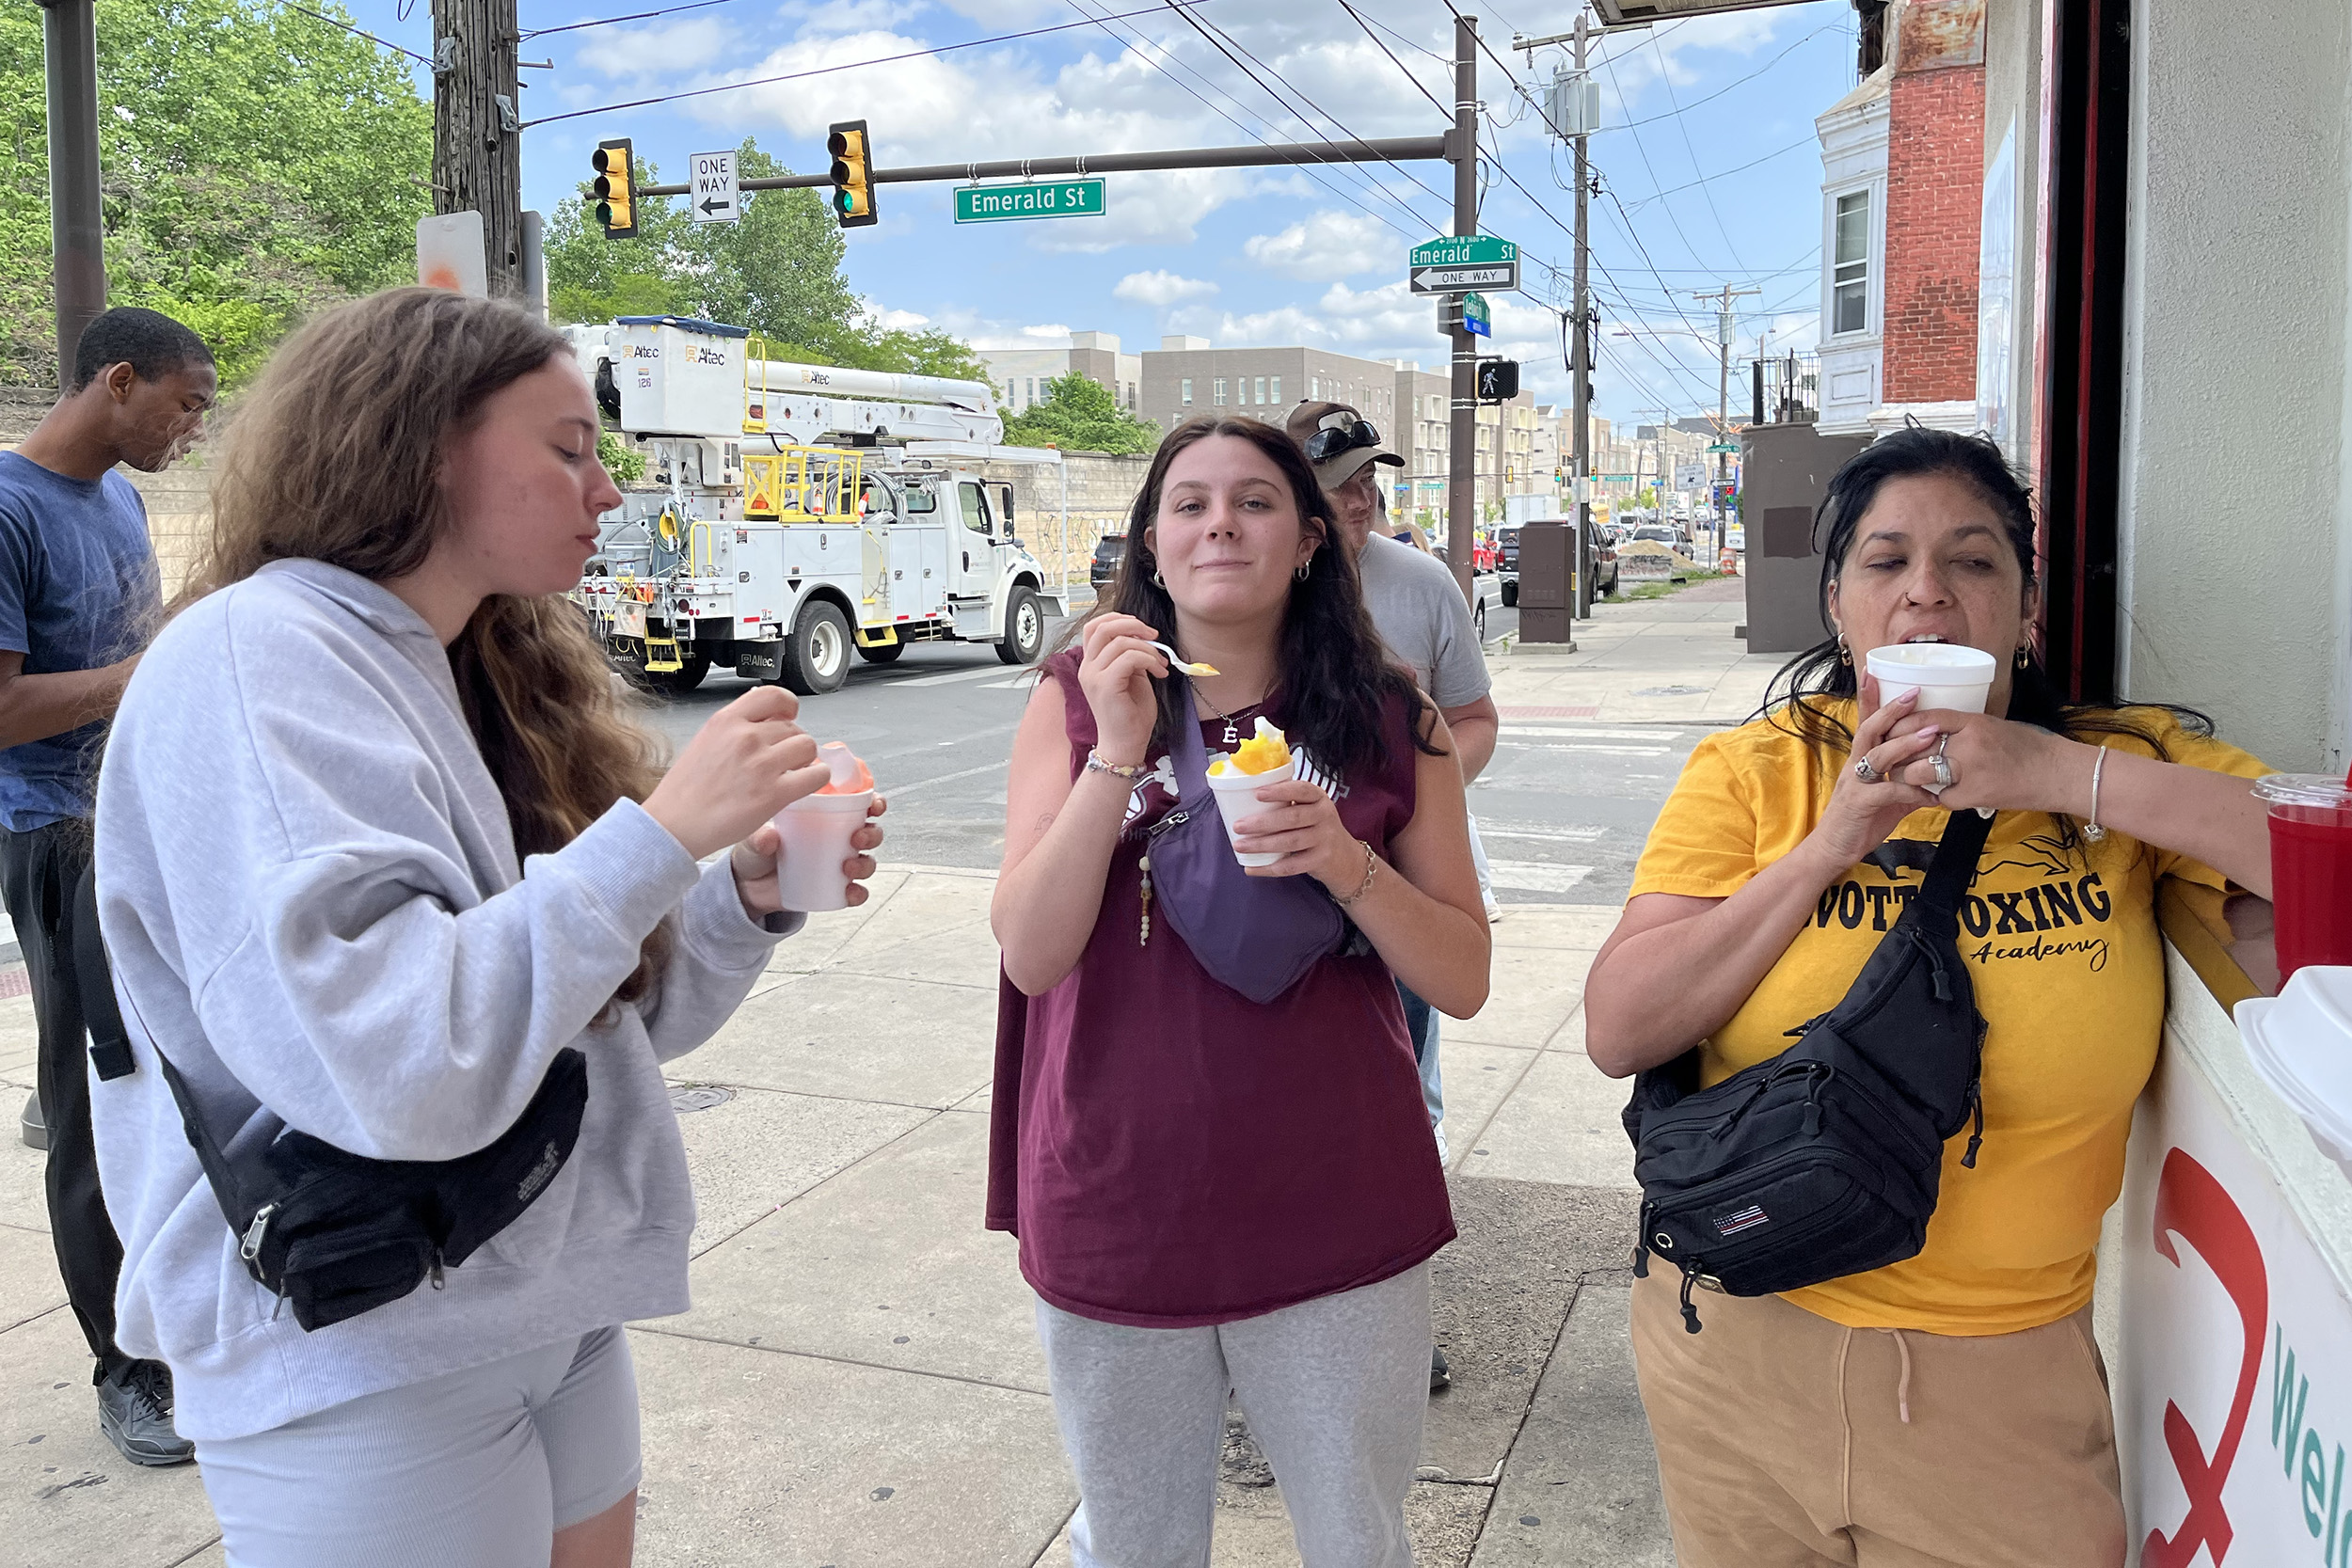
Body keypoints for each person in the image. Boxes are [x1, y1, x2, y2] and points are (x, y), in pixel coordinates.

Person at [90, 288, 885, 1568]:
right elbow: (399, 1064)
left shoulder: (471, 660)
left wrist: (738, 890)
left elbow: (600, 1016)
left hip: (541, 1294)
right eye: (568, 447)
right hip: (358, 1343)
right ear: (416, 446)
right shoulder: (259, 656)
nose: (608, 488)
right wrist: (660, 833)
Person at [1582, 427, 2274, 1567]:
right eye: (1885, 561)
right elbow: (1621, 1024)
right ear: (1841, 608)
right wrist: (1832, 841)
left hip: (2001, 1388)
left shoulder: (2122, 772)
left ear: (2026, 607)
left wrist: (2051, 771)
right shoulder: (1763, 770)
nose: (1927, 595)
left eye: (1973, 560)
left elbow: (2317, 851)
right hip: (1737, 1340)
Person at [988, 416, 1488, 1567]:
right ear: (1152, 545)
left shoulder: (1390, 716)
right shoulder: (1074, 696)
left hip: (1334, 1197)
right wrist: (1119, 753)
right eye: (1191, 502)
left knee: (1357, 1537)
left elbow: (1461, 976)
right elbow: (1031, 951)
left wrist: (1344, 861)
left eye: (1256, 501)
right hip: (1116, 1194)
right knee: (1136, 1544)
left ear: (1311, 540)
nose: (1221, 520)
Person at [0, 305, 215, 1465]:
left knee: (179, 1083)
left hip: (138, 821)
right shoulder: (5, 507)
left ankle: (185, 1322)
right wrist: (147, 666)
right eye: (184, 403)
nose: (192, 428)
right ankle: (126, 1369)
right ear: (118, 381)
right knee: (95, 1107)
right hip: (52, 838)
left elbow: (134, 659)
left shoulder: (119, 498)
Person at [1283, 402, 1501, 1183]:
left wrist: (1420, 791)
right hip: (1276, 873)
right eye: (1340, 482)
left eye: (1370, 477)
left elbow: (1475, 720)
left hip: (1397, 871)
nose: (1362, 497)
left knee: (1405, 1031)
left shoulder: (1421, 582)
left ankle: (1410, 1164)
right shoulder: (1260, 585)